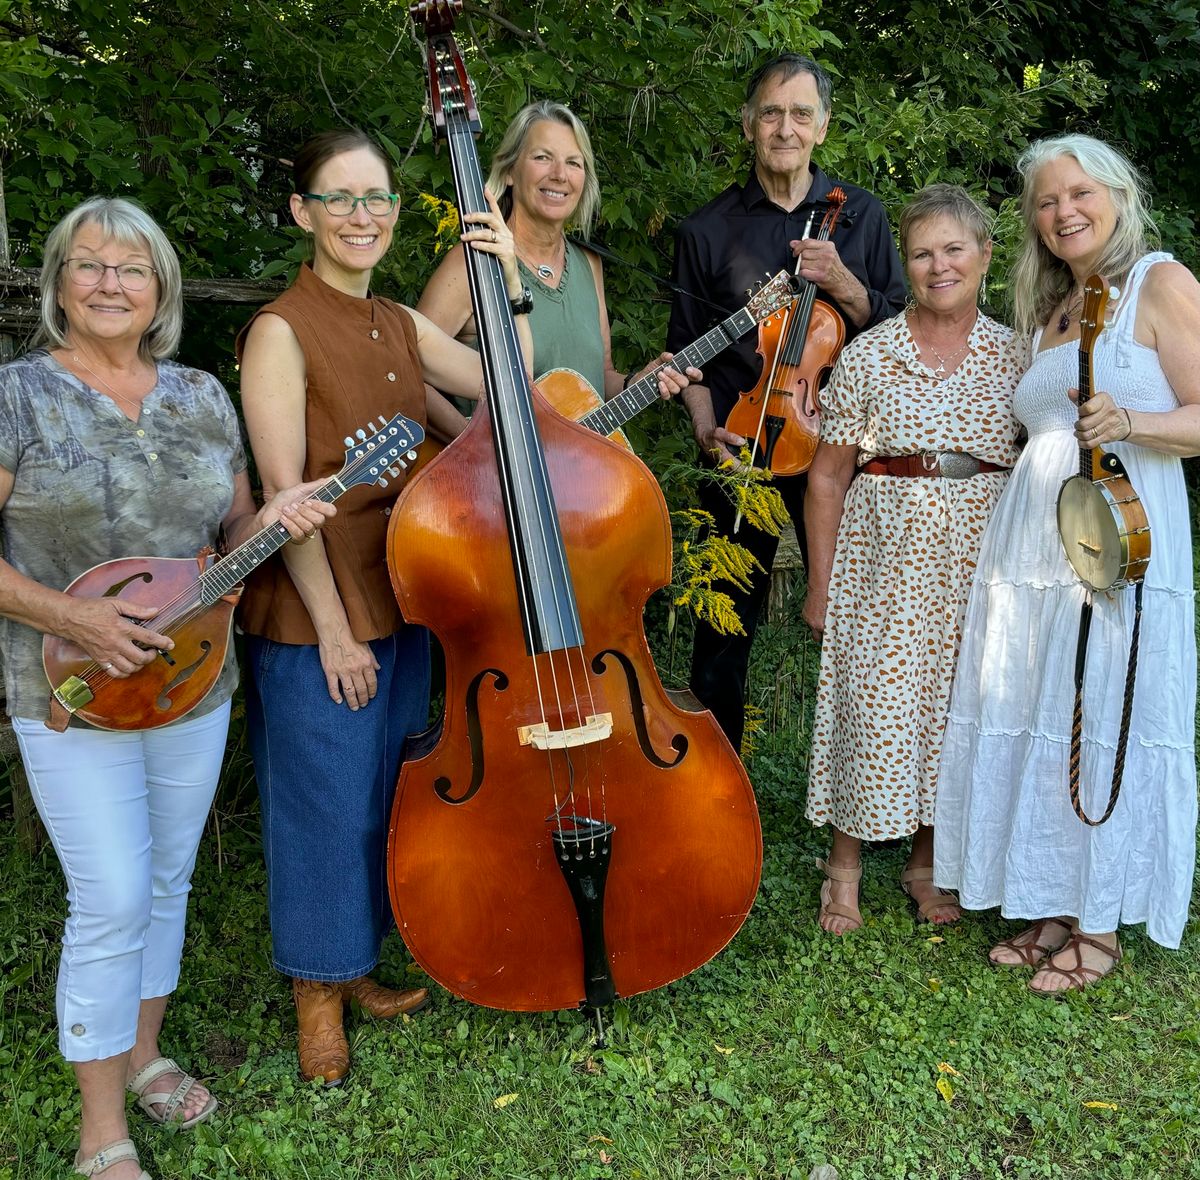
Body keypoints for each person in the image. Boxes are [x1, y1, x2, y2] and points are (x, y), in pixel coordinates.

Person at [0, 197, 332, 1180]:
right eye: (89, 266)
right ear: (61, 283)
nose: (109, 284)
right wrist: (78, 620)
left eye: (130, 269)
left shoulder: (198, 395)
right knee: (109, 894)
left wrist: (276, 520)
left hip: (193, 686)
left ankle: (144, 1055)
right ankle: (100, 1128)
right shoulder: (16, 394)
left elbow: (231, 537)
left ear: (160, 291)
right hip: (70, 691)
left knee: (167, 880)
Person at [236, 128, 533, 1085]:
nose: (362, 217)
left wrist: (505, 280)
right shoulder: (281, 329)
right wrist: (330, 630)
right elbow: (287, 498)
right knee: (321, 803)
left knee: (381, 797)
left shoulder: (399, 322)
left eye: (377, 199)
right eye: (340, 199)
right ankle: (317, 995)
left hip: (408, 590)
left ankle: (354, 966)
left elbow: (508, 393)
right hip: (320, 606)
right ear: (303, 213)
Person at [934, 134, 1200, 992]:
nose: (1063, 212)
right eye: (1047, 202)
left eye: (1079, 192)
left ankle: (1099, 922)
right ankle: (1051, 895)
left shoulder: (1160, 283)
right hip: (1035, 540)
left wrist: (1134, 424)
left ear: (1117, 194)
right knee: (1042, 703)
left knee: (1104, 706)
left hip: (1119, 531)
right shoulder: (1056, 310)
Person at [667, 53, 908, 752]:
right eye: (771, 112)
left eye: (801, 113)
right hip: (742, 447)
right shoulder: (705, 231)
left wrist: (849, 287)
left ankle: (872, 782)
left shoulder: (859, 217)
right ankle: (716, 789)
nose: (785, 127)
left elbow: (899, 333)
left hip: (840, 453)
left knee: (856, 621)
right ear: (748, 124)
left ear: (823, 127)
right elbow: (689, 355)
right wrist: (710, 429)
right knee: (722, 635)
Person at [802, 184, 1024, 934]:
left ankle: (927, 866)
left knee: (953, 712)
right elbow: (828, 475)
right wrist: (820, 584)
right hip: (883, 562)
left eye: (954, 248)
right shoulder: (871, 354)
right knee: (873, 704)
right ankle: (845, 868)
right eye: (923, 252)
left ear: (985, 255)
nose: (939, 266)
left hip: (979, 564)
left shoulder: (1016, 357)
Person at [417, 99, 695, 425]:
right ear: (509, 171)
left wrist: (639, 381)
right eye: (542, 157)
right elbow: (407, 371)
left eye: (574, 163)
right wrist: (468, 441)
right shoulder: (474, 262)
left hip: (583, 471)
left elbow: (598, 379)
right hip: (503, 472)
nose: (560, 175)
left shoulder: (589, 264)